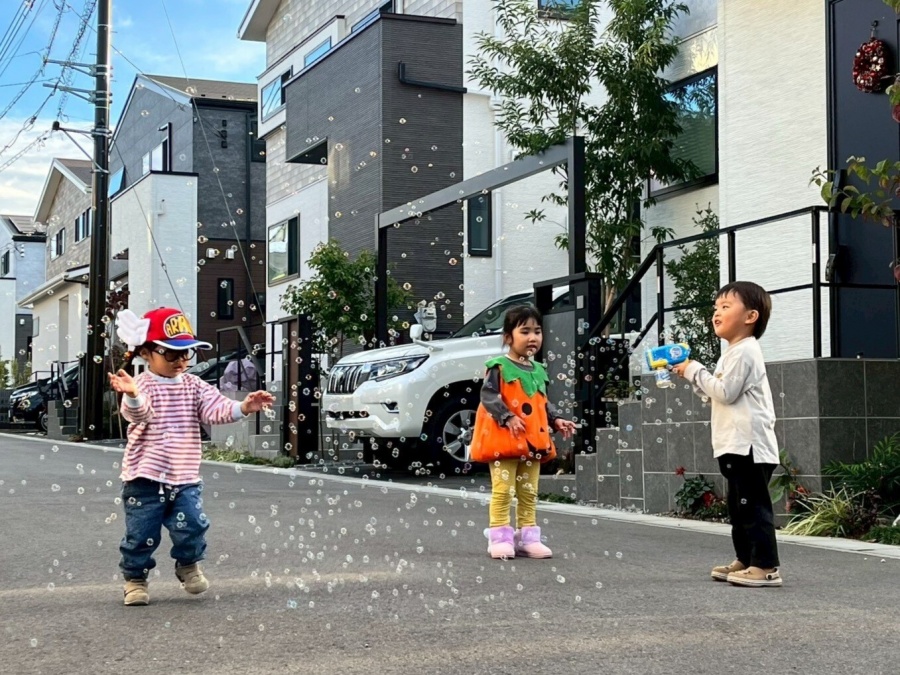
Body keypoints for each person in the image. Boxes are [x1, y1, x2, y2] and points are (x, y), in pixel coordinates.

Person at [108, 307, 275, 606]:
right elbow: (139, 414)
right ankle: (135, 579)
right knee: (141, 534)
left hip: (184, 477)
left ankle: (188, 565)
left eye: (186, 353)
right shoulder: (142, 385)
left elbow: (215, 409)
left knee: (193, 525)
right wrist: (131, 394)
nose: (181, 360)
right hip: (144, 478)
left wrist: (243, 407)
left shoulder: (194, 385)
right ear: (146, 353)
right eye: (171, 353)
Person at [671, 281, 782, 587]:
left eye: (725, 306)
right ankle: (745, 559)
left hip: (749, 446)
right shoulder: (733, 352)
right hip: (735, 444)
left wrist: (694, 369)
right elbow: (719, 395)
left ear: (750, 316)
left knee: (753, 507)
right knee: (738, 507)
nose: (716, 313)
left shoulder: (745, 351)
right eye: (715, 308)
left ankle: (765, 566)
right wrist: (691, 376)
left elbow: (725, 392)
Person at [469, 305, 577, 559]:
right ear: (508, 337)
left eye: (537, 331)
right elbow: (488, 397)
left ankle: (528, 538)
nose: (532, 337)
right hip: (504, 443)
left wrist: (556, 419)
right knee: (503, 490)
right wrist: (507, 416)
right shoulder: (499, 367)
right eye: (525, 331)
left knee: (528, 491)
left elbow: (541, 403)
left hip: (532, 443)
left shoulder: (538, 370)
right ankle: (499, 537)